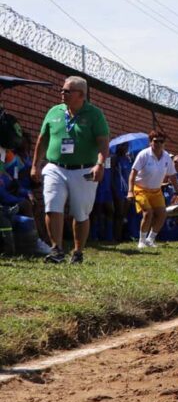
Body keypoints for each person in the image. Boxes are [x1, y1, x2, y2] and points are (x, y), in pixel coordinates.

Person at [31, 76, 110, 265]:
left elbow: (103, 143)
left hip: (84, 170)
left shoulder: (94, 114)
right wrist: (35, 165)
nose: (62, 93)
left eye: (67, 91)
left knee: (80, 212)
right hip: (55, 167)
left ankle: (78, 252)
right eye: (62, 90)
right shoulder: (54, 112)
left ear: (81, 95)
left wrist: (100, 164)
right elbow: (42, 140)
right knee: (52, 205)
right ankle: (56, 249)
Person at [128, 131, 178, 249]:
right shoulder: (144, 154)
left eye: (161, 141)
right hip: (140, 189)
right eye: (155, 141)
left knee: (162, 214)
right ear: (150, 142)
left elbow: (172, 175)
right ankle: (141, 241)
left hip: (156, 191)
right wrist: (130, 191)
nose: (158, 144)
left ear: (164, 143)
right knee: (148, 213)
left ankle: (150, 239)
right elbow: (133, 173)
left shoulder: (167, 156)